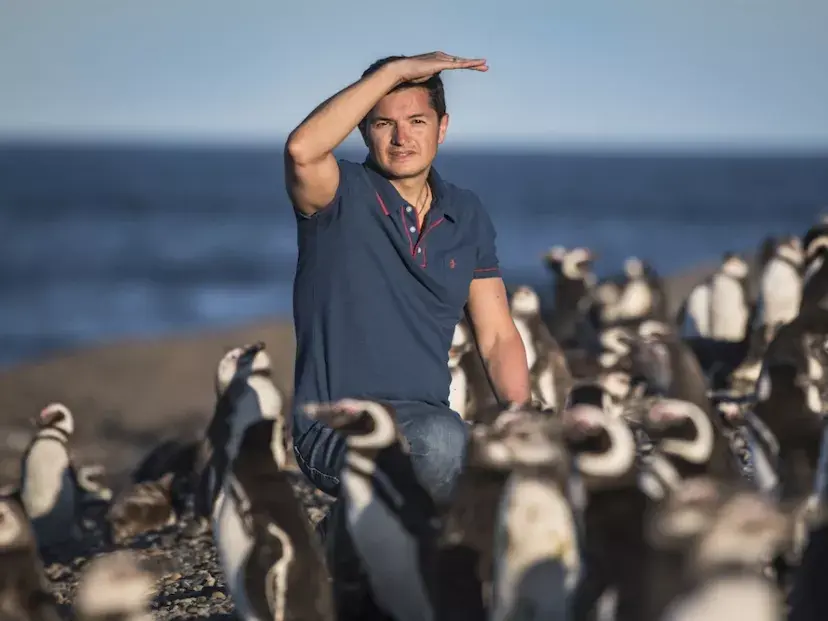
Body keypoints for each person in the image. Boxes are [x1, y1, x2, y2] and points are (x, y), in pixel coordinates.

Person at [284, 51, 531, 611]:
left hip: (428, 421)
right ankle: (340, 560)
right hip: (335, 430)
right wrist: (391, 75)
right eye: (382, 122)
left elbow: (496, 336)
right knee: (445, 447)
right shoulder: (334, 195)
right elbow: (301, 149)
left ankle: (357, 553)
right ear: (364, 130)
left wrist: (522, 415)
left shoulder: (466, 214)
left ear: (442, 128)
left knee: (509, 478)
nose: (401, 138)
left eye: (416, 121)